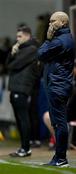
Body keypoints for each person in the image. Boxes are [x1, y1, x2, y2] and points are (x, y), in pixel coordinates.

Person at [37, 11, 75, 166]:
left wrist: (47, 39)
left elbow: (40, 54)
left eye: (53, 21)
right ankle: (59, 157)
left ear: (62, 23)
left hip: (58, 86)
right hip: (58, 84)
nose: (50, 24)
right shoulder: (65, 39)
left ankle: (61, 158)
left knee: (59, 122)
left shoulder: (60, 41)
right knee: (57, 122)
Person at [6, 25, 42, 157]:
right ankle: (24, 147)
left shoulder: (32, 49)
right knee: (20, 119)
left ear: (27, 36)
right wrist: (12, 52)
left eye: (20, 36)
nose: (17, 39)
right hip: (16, 87)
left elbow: (13, 65)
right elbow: (8, 64)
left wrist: (14, 56)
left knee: (23, 118)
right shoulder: (22, 49)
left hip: (22, 88)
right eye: (17, 36)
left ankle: (26, 148)